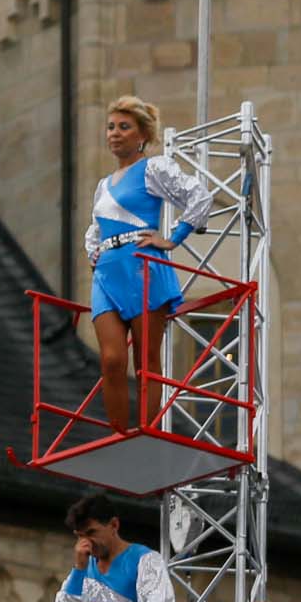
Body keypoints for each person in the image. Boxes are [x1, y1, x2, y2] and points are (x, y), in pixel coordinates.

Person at [81, 96, 212, 437]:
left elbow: (199, 195)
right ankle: (117, 435)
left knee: (146, 361)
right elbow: (94, 230)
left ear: (142, 135)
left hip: (142, 266)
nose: (114, 133)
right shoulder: (103, 185)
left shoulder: (154, 168)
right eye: (111, 127)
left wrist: (173, 238)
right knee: (111, 359)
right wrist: (94, 253)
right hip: (108, 274)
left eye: (124, 127)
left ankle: (145, 431)